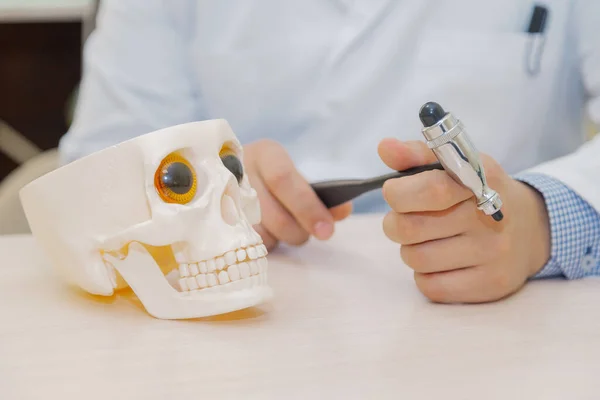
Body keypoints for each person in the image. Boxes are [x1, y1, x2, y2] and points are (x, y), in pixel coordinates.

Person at [59, 0, 600, 303]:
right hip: (233, 312)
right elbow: (93, 171)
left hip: (510, 316)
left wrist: (543, 219)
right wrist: (206, 192)